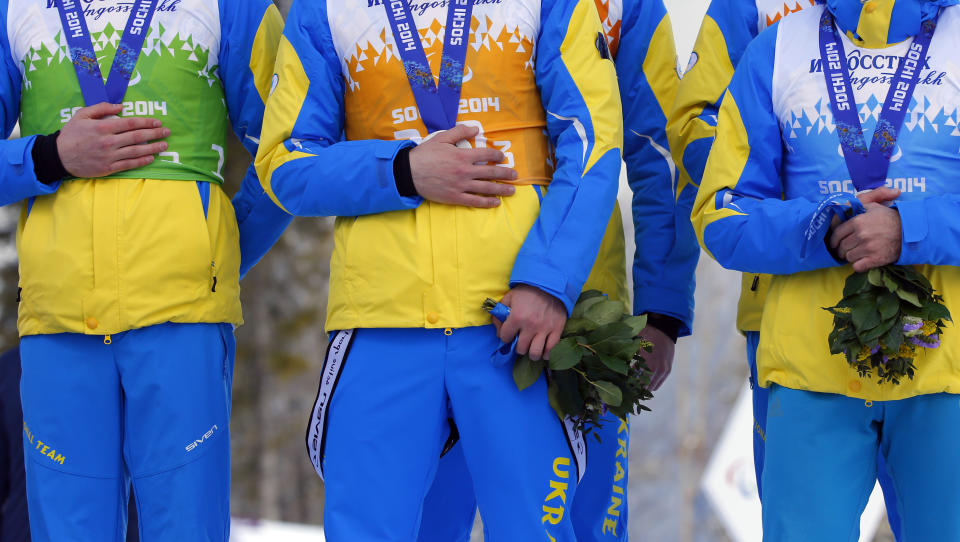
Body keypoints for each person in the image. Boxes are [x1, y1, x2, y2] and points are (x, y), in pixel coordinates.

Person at [256, 0, 623, 539]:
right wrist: (404, 170)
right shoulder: (325, 8)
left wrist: (548, 279)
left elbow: (593, 141)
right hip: (382, 322)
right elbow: (285, 162)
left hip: (513, 323)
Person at [0, 0, 288, 539]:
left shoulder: (235, 6)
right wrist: (49, 157)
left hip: (181, 322)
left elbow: (292, 149)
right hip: (59, 322)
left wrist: (214, 260)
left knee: (185, 528)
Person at [414, 1, 692, 540]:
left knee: (581, 523)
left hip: (583, 316)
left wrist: (660, 311)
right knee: (429, 518)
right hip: (432, 301)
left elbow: (657, 154)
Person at [692, 0, 960, 538]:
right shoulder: (777, 47)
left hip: (948, 366)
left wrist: (911, 229)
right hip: (810, 365)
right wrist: (823, 228)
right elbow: (720, 214)